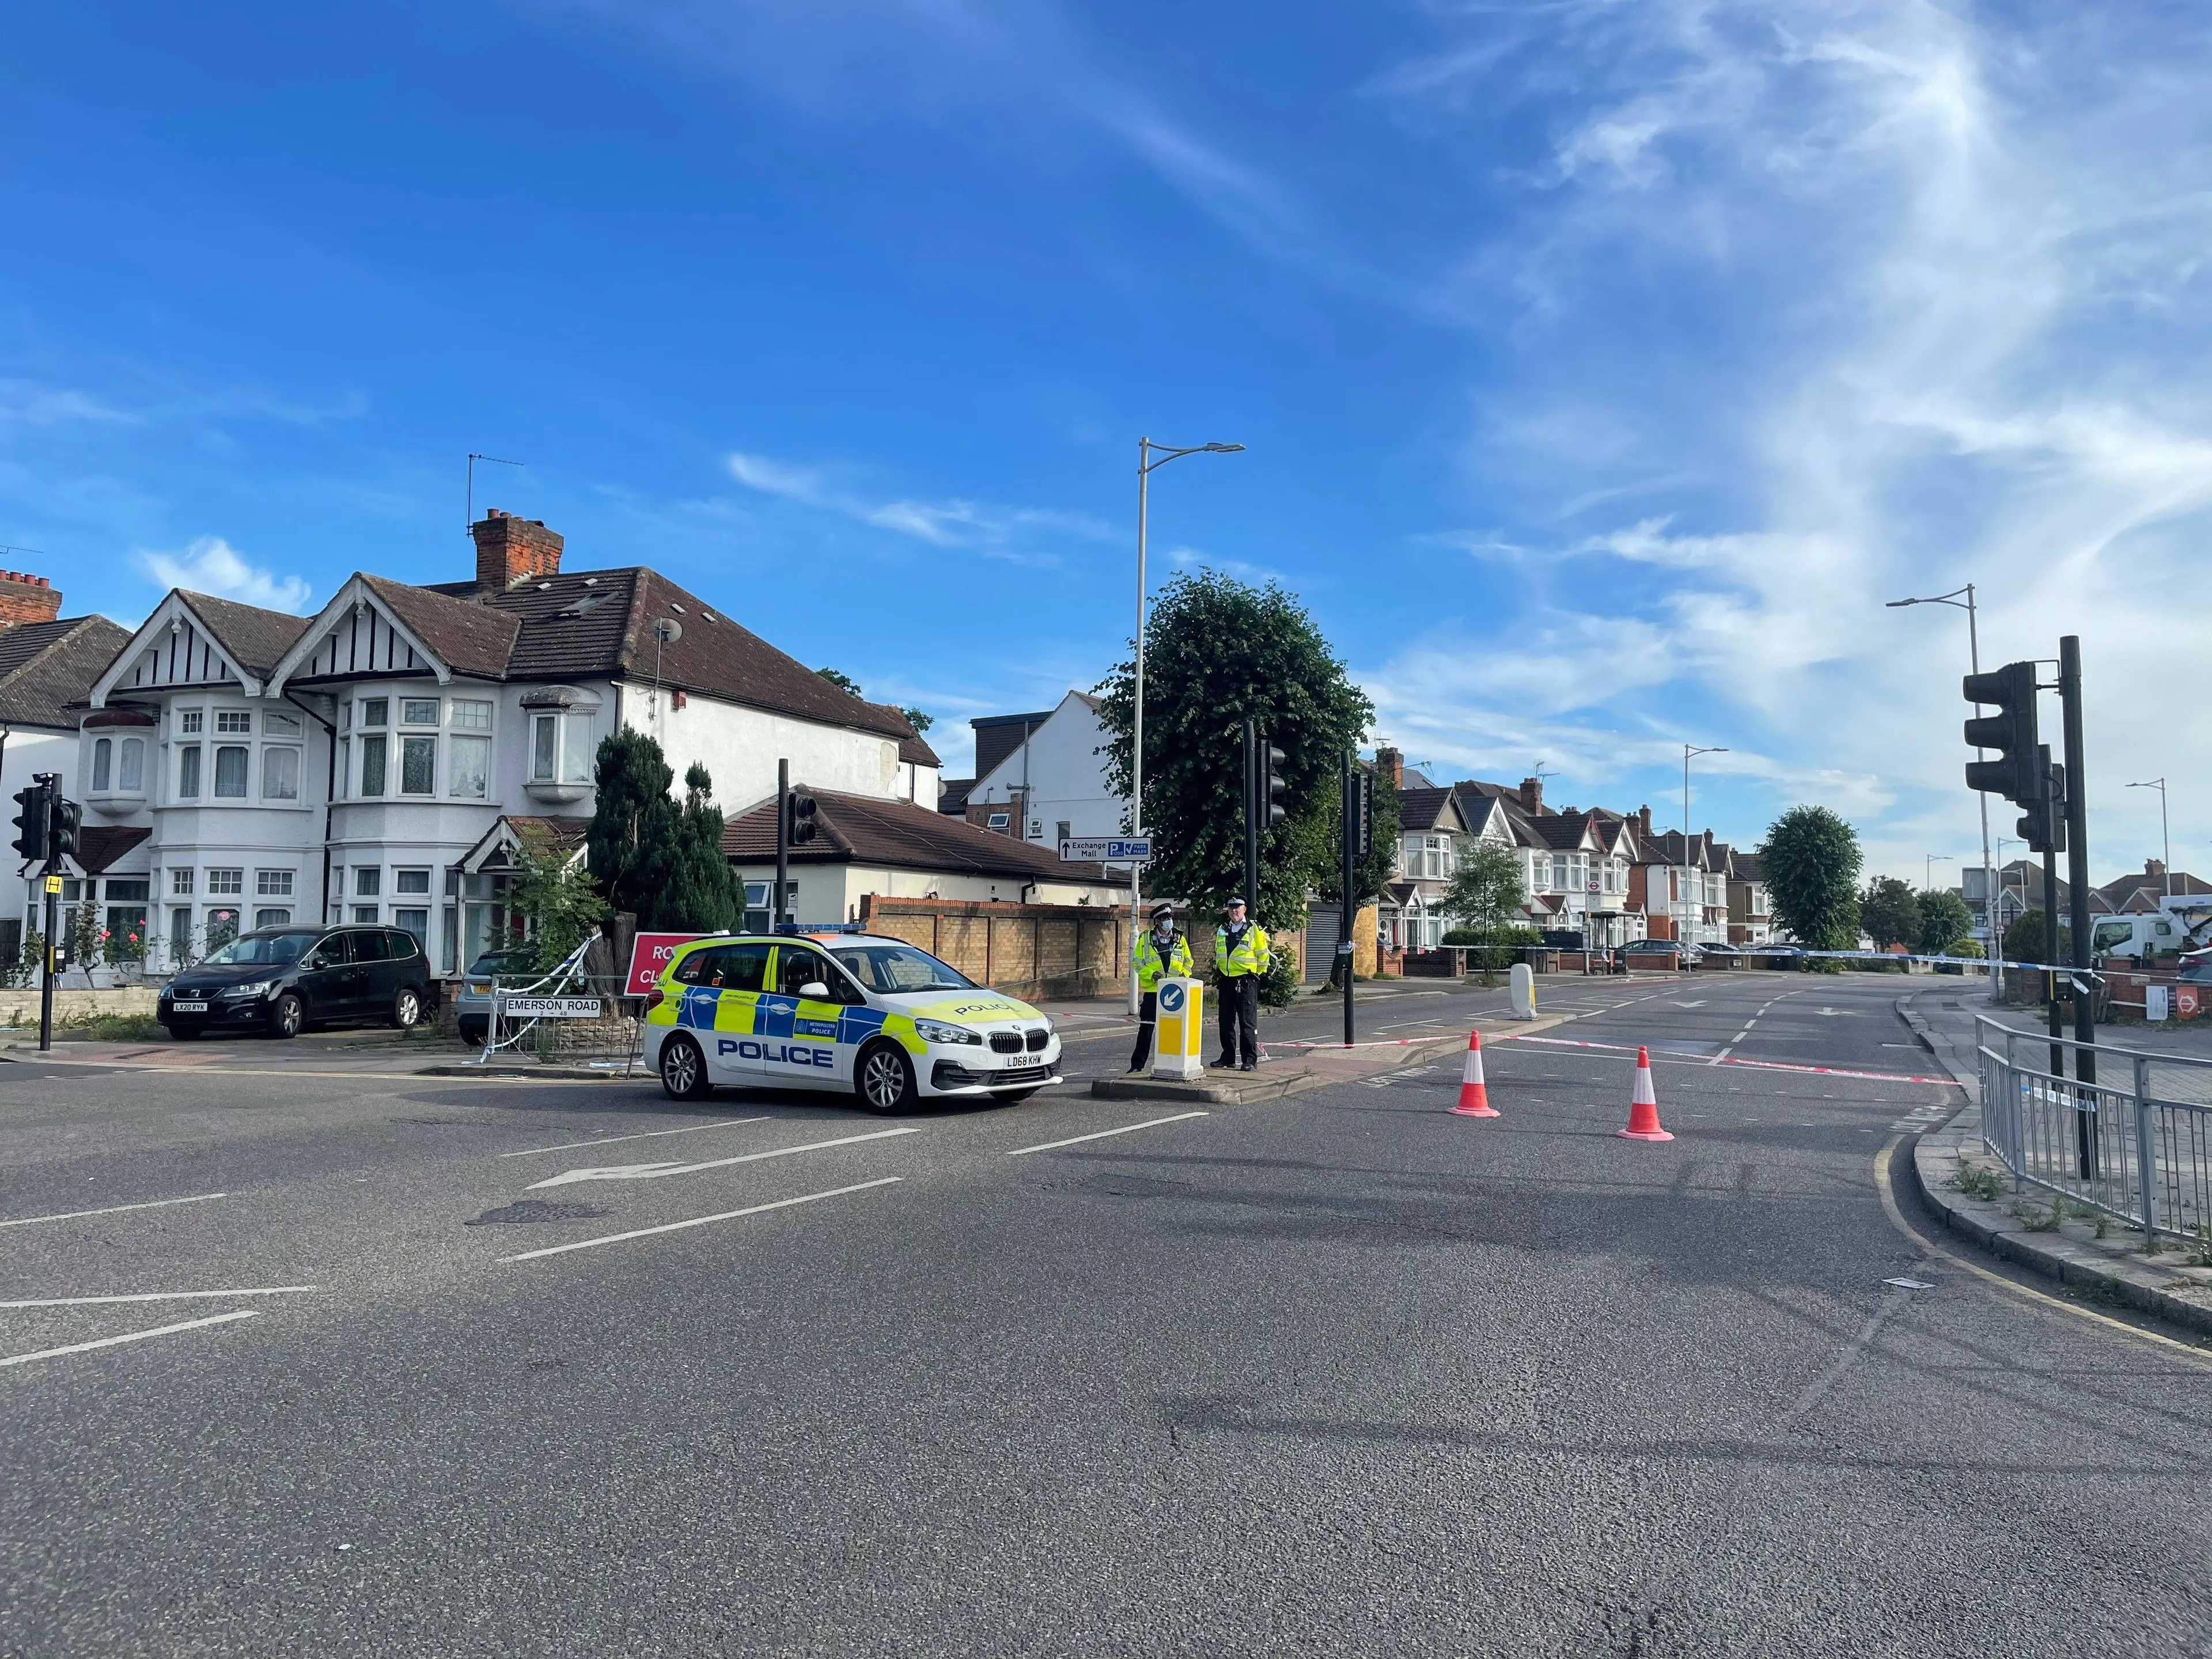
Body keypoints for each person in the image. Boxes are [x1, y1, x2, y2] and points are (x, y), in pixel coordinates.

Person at [1128, 902, 1192, 1074]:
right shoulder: (1145, 939)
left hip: (1175, 992)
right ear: (1157, 922)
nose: (1168, 921)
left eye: (1170, 918)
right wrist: (1150, 974)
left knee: (1172, 1029)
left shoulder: (1180, 938)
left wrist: (1184, 976)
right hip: (1153, 992)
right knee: (1146, 1029)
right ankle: (1137, 1065)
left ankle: (1171, 1064)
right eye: (1164, 918)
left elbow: (1189, 962)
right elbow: (1137, 962)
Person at [1214, 896, 1272, 1070]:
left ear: (1244, 909)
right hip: (1227, 980)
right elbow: (1219, 952)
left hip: (1247, 981)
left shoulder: (1255, 930)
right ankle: (1228, 1058)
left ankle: (1249, 1060)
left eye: (1238, 907)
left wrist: (1257, 974)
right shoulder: (1223, 929)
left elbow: (1263, 955)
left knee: (1247, 1023)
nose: (1234, 910)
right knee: (1225, 1021)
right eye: (1231, 907)